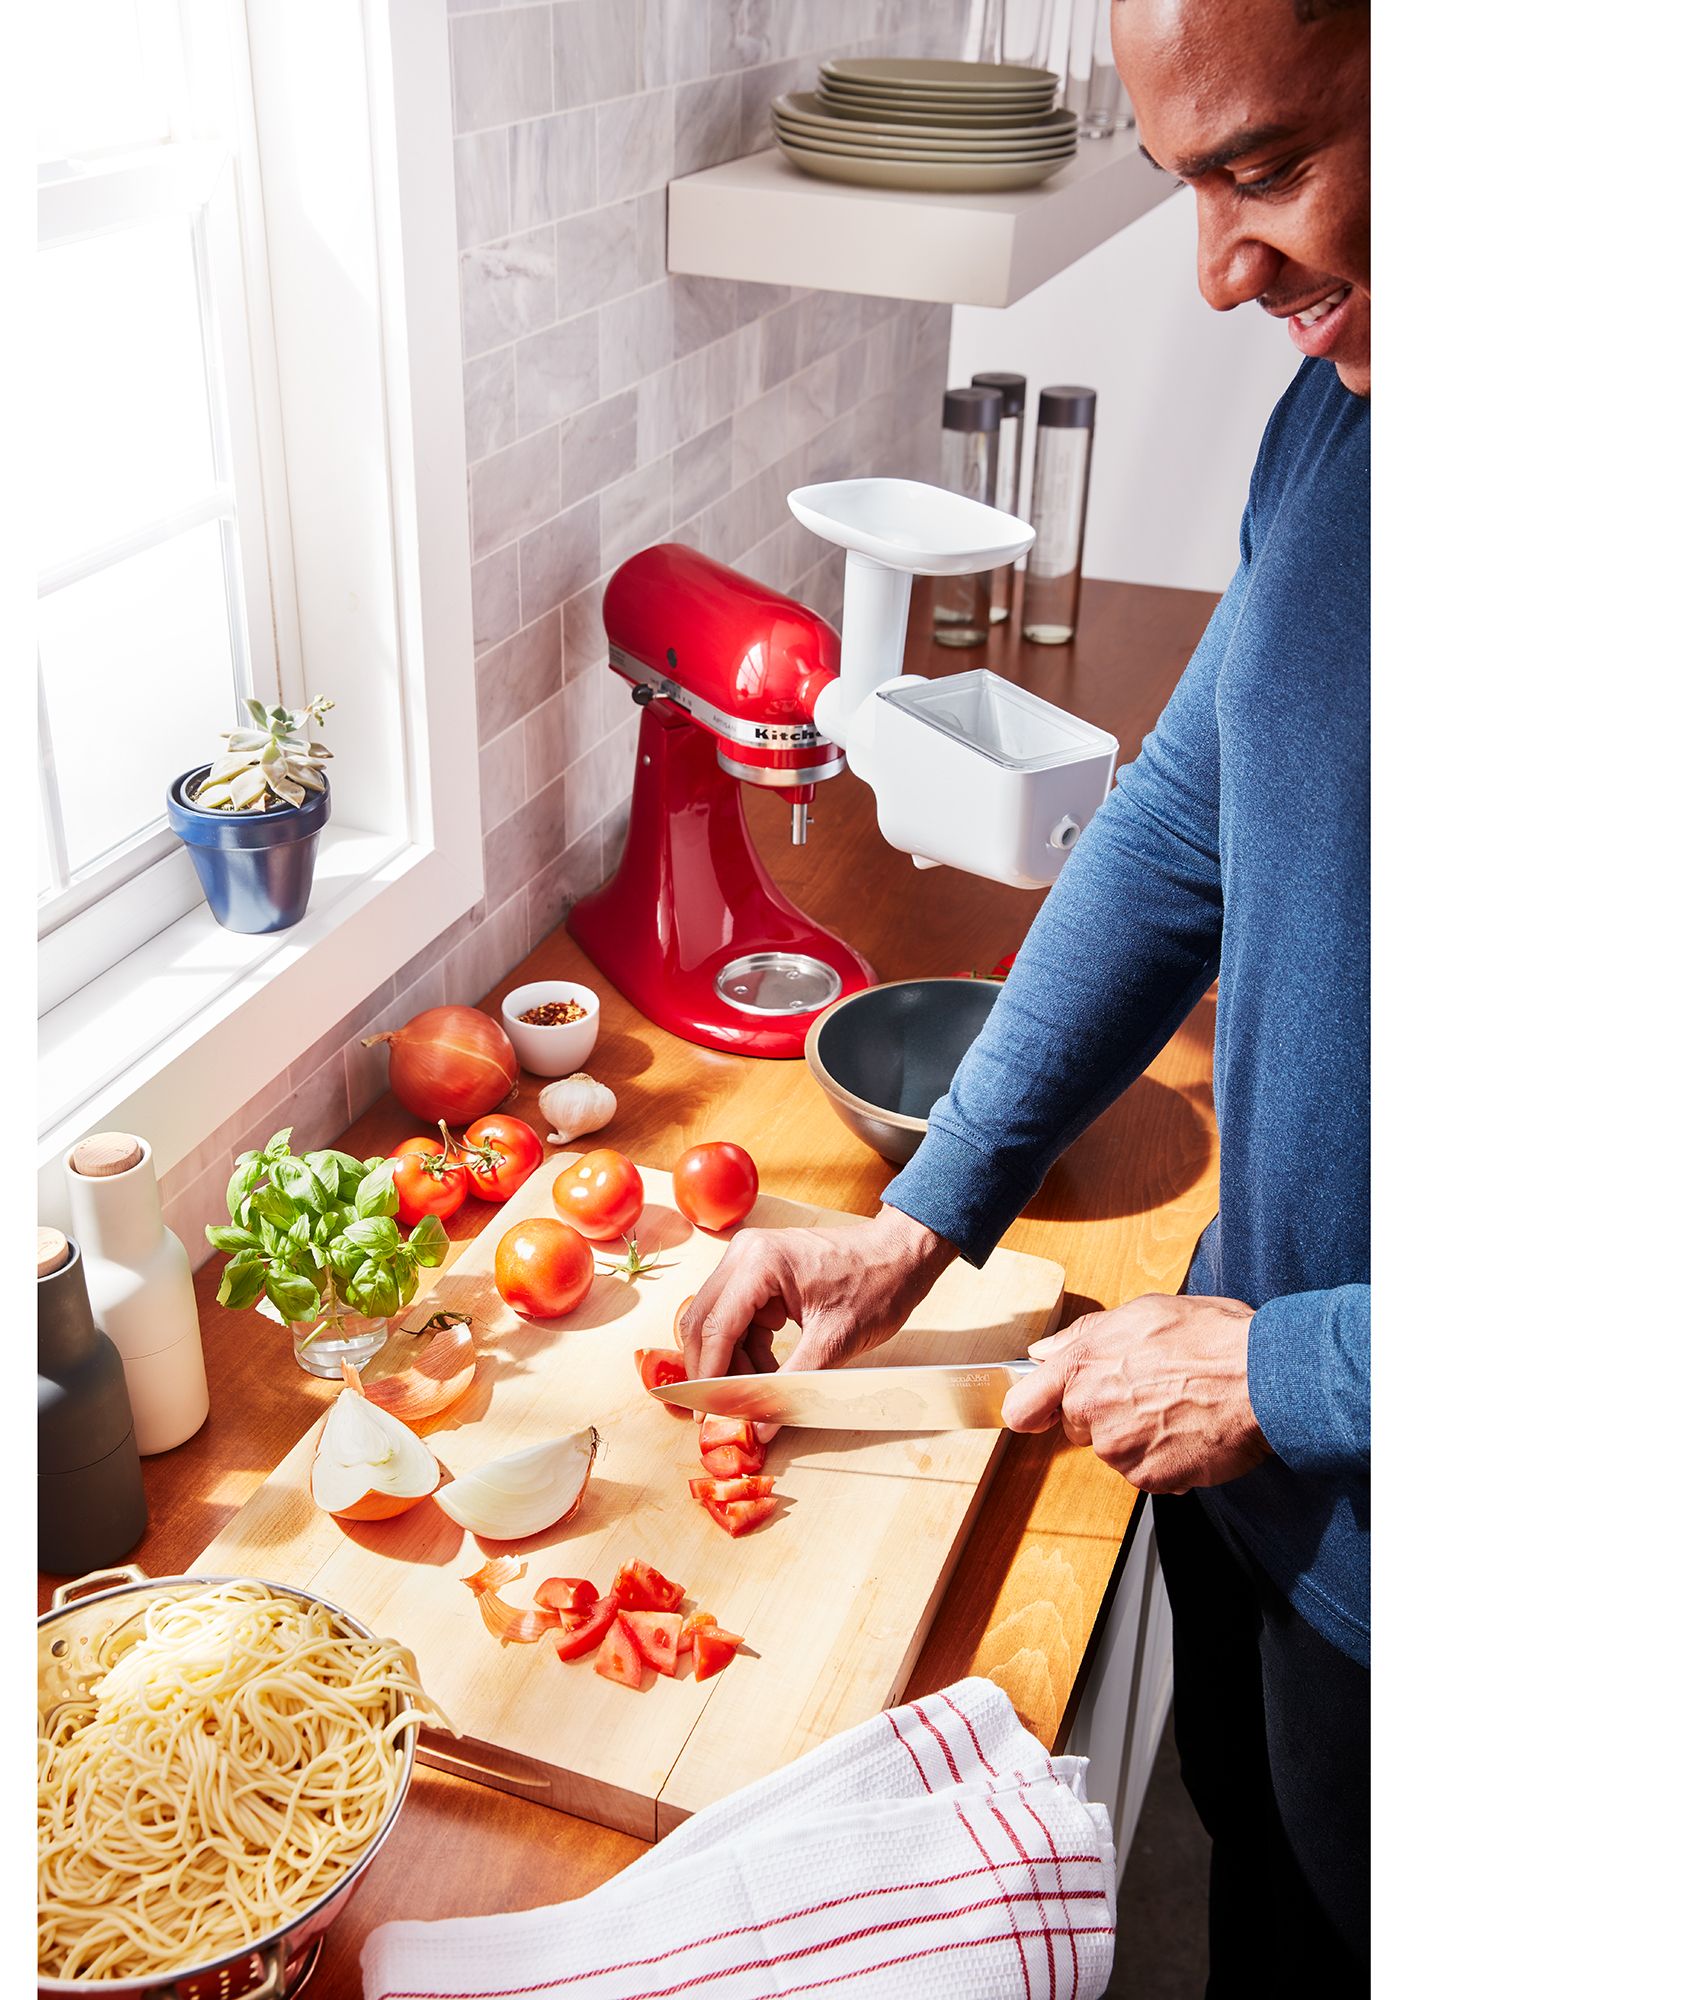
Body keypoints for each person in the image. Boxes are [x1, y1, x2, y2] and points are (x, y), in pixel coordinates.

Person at [679, 0, 1370, 1989]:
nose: (1219, 274)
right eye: (1184, 187)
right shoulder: (1343, 419)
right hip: (1264, 1497)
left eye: (1267, 168)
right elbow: (1186, 820)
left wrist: (1292, 1375)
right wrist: (921, 1218)